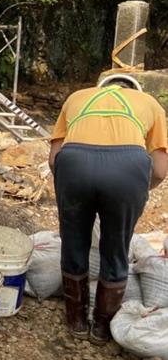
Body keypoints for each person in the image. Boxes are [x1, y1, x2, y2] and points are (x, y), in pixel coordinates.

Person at [49, 73, 167, 344]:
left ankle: (76, 321)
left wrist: (68, 186)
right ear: (134, 90)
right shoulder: (149, 103)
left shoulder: (76, 98)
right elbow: (160, 169)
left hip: (73, 165)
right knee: (116, 248)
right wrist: (136, 190)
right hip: (128, 168)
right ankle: (102, 327)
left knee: (74, 242)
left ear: (101, 87)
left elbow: (54, 160)